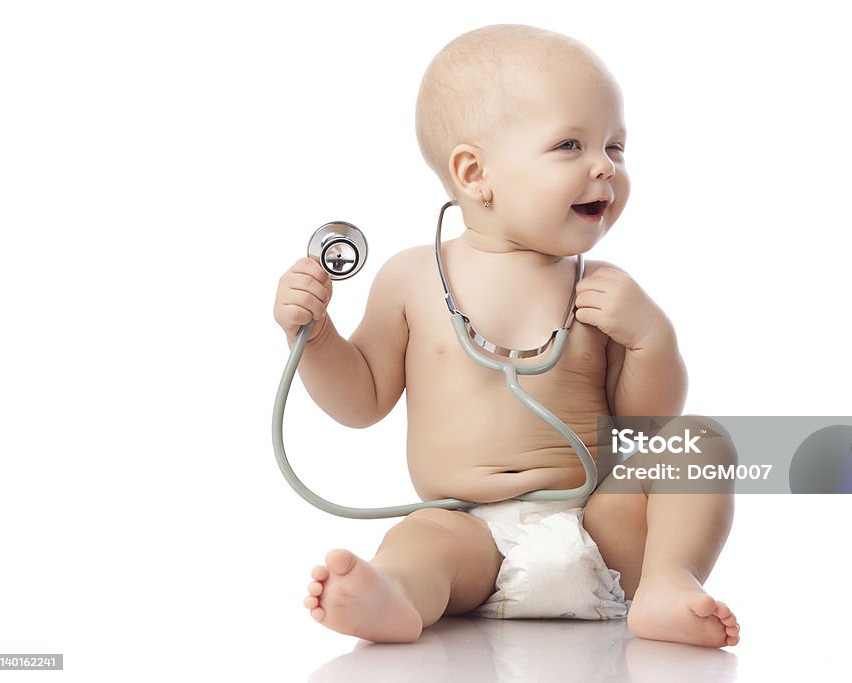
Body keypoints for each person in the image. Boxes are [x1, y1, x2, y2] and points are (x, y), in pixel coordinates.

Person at [274, 23, 740, 647]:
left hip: (598, 531)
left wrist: (649, 338)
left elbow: (645, 421)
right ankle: (393, 593)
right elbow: (360, 403)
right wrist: (317, 335)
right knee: (418, 542)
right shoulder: (412, 277)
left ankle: (664, 582)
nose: (604, 164)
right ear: (474, 174)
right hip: (469, 534)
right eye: (570, 145)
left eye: (616, 146)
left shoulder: (602, 290)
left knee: (700, 441)